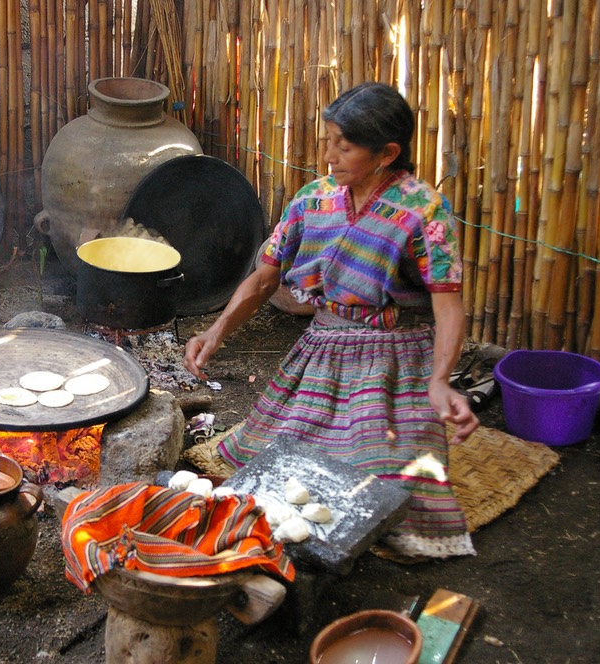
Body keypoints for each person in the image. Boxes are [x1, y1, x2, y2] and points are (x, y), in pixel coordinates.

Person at [183, 82, 479, 559]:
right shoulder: (312, 201)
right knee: (278, 464)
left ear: (387, 153)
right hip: (324, 349)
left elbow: (448, 303)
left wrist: (441, 381)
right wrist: (214, 334)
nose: (329, 156)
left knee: (389, 487)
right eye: (327, 142)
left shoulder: (422, 209)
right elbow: (264, 280)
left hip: (395, 354)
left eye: (344, 146)